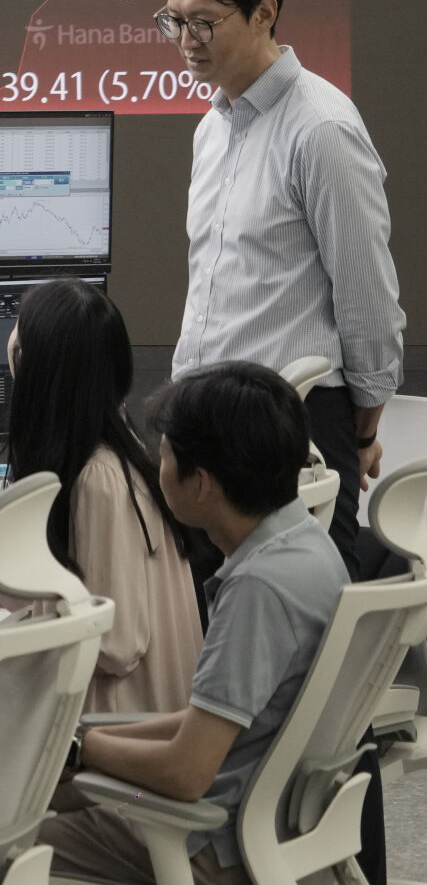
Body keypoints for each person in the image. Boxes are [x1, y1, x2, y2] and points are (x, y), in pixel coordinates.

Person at [159, 0, 405, 577]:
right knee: (210, 632)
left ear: (263, 11)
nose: (184, 43)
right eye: (173, 22)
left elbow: (367, 298)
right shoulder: (212, 126)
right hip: (207, 424)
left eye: (203, 23)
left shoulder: (320, 129)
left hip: (289, 427)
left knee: (301, 646)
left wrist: (361, 432)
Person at [41, 361, 348, 885]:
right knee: (62, 788)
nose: (155, 462)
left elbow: (186, 772)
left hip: (207, 841)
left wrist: (78, 749)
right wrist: (84, 736)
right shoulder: (308, 546)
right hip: (267, 824)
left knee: (0, 843)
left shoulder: (260, 590)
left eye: (163, 452)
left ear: (201, 484)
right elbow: (207, 723)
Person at [4, 278, 203, 713]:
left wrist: (26, 640)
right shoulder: (118, 448)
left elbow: (116, 643)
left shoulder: (99, 480)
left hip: (121, 754)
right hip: (135, 726)